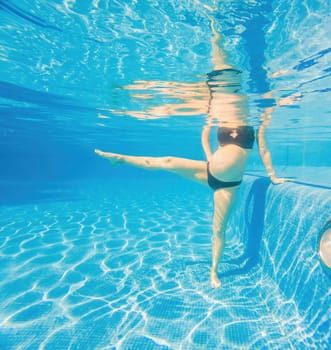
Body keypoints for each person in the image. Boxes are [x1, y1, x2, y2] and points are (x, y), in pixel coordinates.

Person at [95, 12, 297, 288]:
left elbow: (264, 151)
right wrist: (209, 157)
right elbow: (204, 134)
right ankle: (120, 159)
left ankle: (213, 271)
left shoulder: (257, 121)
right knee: (164, 160)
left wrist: (273, 176)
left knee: (219, 229)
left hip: (227, 184)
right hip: (208, 170)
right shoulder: (219, 115)